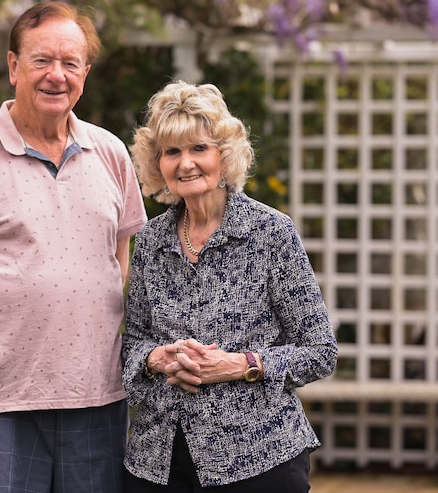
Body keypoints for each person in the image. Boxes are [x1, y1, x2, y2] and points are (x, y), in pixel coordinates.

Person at [0, 1, 148, 493]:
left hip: (97, 402)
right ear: (14, 66)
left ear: (85, 72)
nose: (56, 75)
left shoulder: (111, 153)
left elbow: (121, 268)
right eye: (42, 60)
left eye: (70, 62)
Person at [121, 80, 337, 492]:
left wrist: (241, 366)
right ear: (158, 164)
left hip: (258, 460)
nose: (186, 164)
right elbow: (131, 342)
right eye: (172, 152)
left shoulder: (270, 233)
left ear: (224, 154)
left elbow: (320, 352)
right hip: (159, 462)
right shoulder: (150, 241)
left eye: (199, 148)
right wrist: (157, 359)